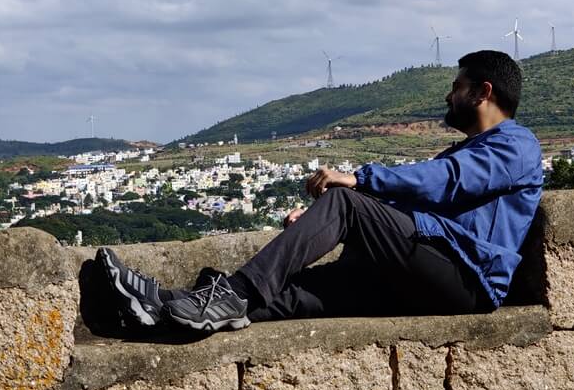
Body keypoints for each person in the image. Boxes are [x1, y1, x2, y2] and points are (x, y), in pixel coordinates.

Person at [98, 50, 544, 332]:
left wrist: (358, 181)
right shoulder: (470, 149)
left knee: (344, 203)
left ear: (483, 92)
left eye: (457, 87)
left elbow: (446, 179)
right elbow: (412, 204)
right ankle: (161, 308)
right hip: (425, 274)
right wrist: (315, 222)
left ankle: (229, 293)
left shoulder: (516, 144)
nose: (449, 96)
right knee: (295, 291)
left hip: (467, 280)